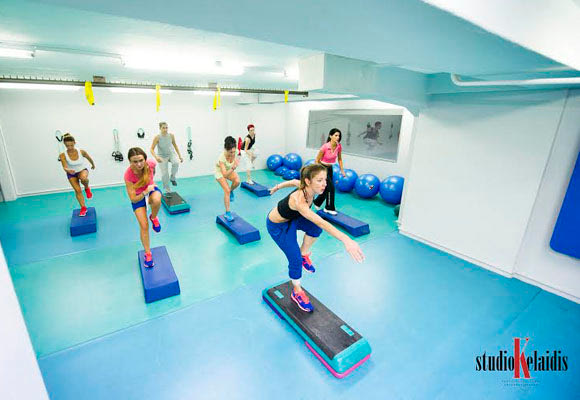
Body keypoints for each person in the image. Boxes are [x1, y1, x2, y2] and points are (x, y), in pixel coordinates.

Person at [268, 164, 365, 312]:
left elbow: (292, 182)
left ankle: (304, 253)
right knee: (295, 260)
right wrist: (346, 239)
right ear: (308, 181)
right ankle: (297, 291)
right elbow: (321, 221)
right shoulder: (299, 201)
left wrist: (277, 187)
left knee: (315, 229)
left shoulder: (305, 186)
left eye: (325, 179)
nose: (324, 184)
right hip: (278, 227)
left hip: (293, 218)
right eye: (319, 180)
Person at [124, 147, 162, 268]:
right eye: (135, 161)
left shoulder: (150, 164)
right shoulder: (128, 175)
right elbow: (133, 199)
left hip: (150, 190)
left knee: (157, 200)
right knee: (144, 226)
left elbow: (153, 171)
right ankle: (148, 253)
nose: (139, 164)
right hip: (138, 196)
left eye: (141, 160)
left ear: (145, 159)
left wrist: (151, 181)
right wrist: (145, 191)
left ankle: (153, 217)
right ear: (130, 162)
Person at [59, 133, 95, 217]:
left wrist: (93, 164)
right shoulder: (63, 155)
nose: (70, 147)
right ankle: (83, 208)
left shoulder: (81, 151)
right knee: (78, 190)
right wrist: (68, 170)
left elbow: (89, 158)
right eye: (67, 146)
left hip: (82, 170)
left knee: (84, 179)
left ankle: (87, 188)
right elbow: (64, 167)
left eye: (71, 145)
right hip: (71, 173)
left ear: (74, 143)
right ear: (65, 145)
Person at [313, 128, 346, 215]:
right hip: (322, 167)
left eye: (339, 136)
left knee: (327, 187)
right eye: (336, 135)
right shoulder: (325, 147)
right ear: (330, 136)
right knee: (331, 188)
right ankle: (328, 208)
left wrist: (342, 170)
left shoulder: (339, 146)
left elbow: (339, 159)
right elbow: (317, 160)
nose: (338, 137)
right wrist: (318, 171)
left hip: (330, 168)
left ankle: (317, 202)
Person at [150, 122, 183, 195]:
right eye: (163, 128)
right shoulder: (157, 137)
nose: (165, 129)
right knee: (164, 174)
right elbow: (151, 149)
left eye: (166, 128)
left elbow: (175, 146)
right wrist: (156, 157)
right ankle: (168, 191)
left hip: (171, 154)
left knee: (176, 162)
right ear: (160, 128)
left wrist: (180, 156)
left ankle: (173, 178)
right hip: (162, 156)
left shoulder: (171, 136)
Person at [215, 136, 240, 222]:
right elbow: (225, 174)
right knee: (227, 190)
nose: (233, 154)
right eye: (230, 152)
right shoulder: (221, 158)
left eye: (234, 151)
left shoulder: (236, 151)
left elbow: (239, 154)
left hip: (229, 170)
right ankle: (227, 213)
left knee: (237, 181)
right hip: (220, 172)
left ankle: (231, 190)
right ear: (226, 149)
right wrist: (233, 167)